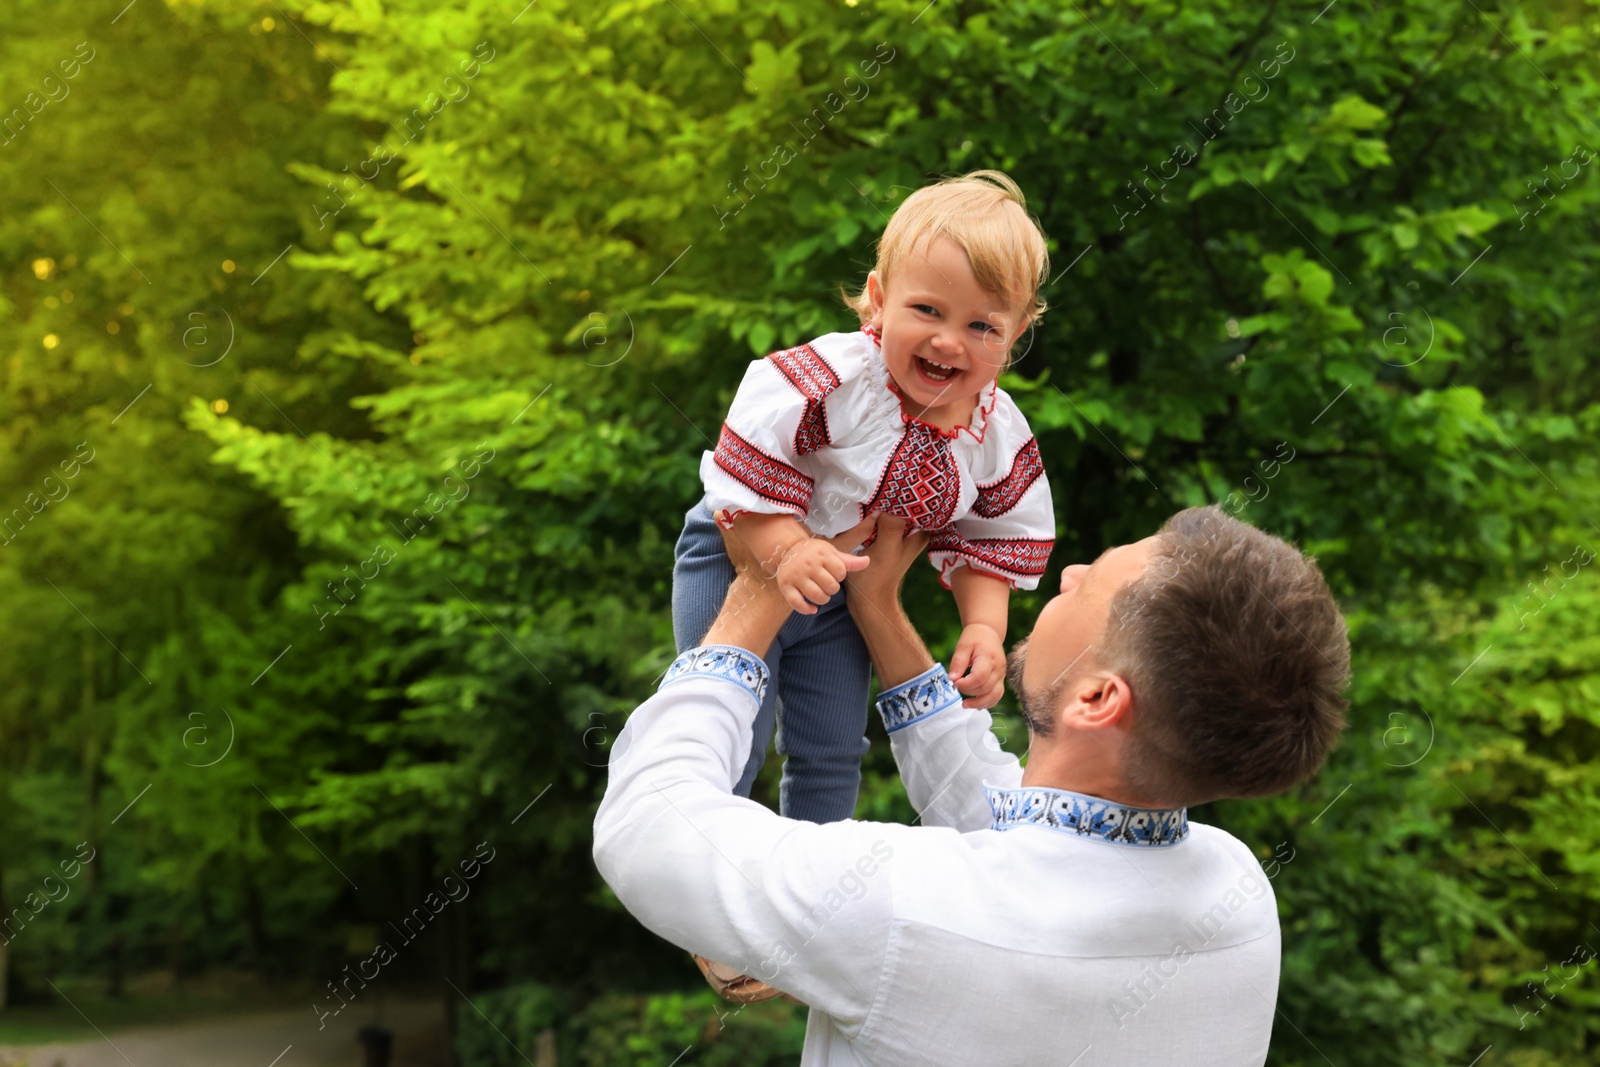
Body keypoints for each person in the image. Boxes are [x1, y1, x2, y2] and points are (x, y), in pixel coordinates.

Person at [594, 505, 1350, 1066]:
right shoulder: (1238, 900)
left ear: (1096, 699)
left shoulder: (898, 907)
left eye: (1092, 587)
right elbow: (1018, 840)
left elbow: (649, 827)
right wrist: (879, 610)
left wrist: (759, 592)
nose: (1072, 572)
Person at [672, 169, 1056, 833]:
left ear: (1017, 335)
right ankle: (710, 871)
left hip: (841, 592)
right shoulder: (843, 377)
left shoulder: (995, 432)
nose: (947, 340)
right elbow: (751, 452)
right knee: (734, 713)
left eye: (981, 326)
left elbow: (995, 537)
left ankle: (815, 872)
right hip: (742, 551)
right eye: (927, 311)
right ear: (878, 301)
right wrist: (785, 549)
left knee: (833, 741)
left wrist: (984, 629)